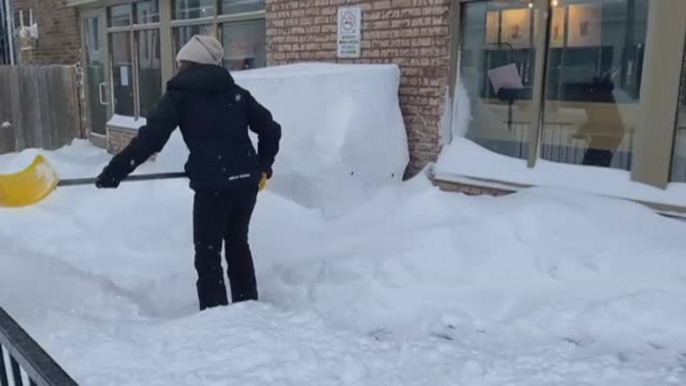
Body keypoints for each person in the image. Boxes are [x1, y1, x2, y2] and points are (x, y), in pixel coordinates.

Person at [94, 35, 282, 311]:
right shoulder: (236, 93)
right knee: (238, 245)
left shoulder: (179, 96)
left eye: (180, 62)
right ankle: (248, 309)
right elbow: (271, 129)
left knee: (208, 255)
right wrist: (263, 166)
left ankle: (217, 316)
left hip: (213, 187)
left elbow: (150, 139)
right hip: (245, 184)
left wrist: (115, 171)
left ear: (186, 63)